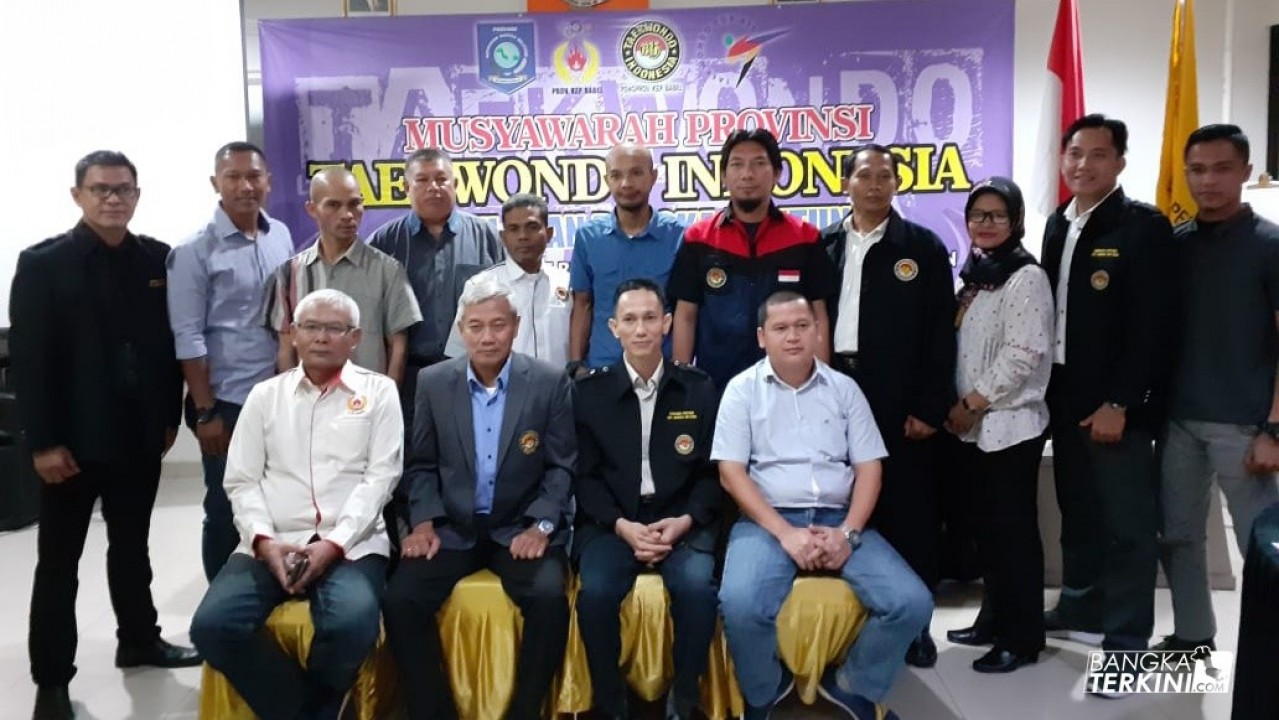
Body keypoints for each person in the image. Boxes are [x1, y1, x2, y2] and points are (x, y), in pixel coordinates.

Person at [10, 150, 198, 720]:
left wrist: (170, 416)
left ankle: (138, 638)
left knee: (131, 548)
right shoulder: (44, 264)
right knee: (59, 562)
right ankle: (51, 680)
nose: (112, 199)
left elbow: (167, 349)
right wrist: (42, 443)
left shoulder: (157, 259)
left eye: (123, 190)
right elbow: (30, 361)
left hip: (139, 438)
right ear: (78, 196)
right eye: (100, 190)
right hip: (70, 446)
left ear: (137, 195)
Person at [713, 291, 931, 720]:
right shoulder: (741, 391)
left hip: (838, 517)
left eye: (801, 326)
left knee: (912, 602)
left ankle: (854, 685)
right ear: (762, 337)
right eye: (780, 328)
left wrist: (848, 534)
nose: (792, 336)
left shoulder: (845, 389)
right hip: (767, 521)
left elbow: (870, 469)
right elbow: (730, 473)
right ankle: (762, 693)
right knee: (739, 603)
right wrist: (785, 533)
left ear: (816, 331)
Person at [189, 289, 402, 720]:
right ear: (293, 334)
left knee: (350, 623)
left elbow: (381, 478)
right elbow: (242, 481)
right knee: (212, 626)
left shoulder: (380, 393)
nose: (322, 337)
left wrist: (333, 545)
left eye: (334, 328)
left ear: (355, 338)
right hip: (272, 539)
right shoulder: (265, 396)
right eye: (311, 327)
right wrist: (265, 543)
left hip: (352, 544)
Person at [383, 277, 575, 720]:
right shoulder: (434, 381)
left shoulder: (548, 382)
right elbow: (422, 464)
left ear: (516, 326)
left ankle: (523, 713)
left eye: (498, 325)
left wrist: (541, 525)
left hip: (519, 528)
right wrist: (424, 523)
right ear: (460, 328)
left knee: (549, 598)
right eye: (475, 326)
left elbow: (562, 465)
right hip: (451, 527)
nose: (487, 337)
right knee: (400, 599)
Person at [1040, 115, 1172, 667]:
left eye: (1097, 155)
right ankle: (1080, 607)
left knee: (1126, 527)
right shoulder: (1056, 223)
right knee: (1079, 512)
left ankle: (1126, 643)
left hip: (1115, 402)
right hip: (1064, 393)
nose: (1083, 165)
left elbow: (1152, 327)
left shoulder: (1142, 227)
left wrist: (1121, 401)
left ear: (1119, 162)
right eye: (1075, 154)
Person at [819, 143, 958, 667]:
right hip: (835, 387)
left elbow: (940, 335)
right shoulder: (825, 243)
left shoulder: (920, 246)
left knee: (910, 511)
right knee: (849, 507)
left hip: (899, 395)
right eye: (865, 175)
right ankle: (849, 624)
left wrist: (929, 405)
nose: (875, 185)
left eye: (885, 176)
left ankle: (917, 626)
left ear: (897, 185)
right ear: (846, 182)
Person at [573, 278, 721, 720]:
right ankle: (610, 702)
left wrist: (686, 521)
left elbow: (713, 473)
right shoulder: (589, 393)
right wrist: (622, 526)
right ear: (613, 328)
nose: (641, 329)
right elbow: (584, 477)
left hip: (680, 521)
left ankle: (686, 700)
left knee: (697, 591)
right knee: (594, 595)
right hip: (612, 524)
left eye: (651, 318)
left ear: (668, 323)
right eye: (631, 320)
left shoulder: (698, 388)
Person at [1159, 124, 1279, 651]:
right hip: (1179, 421)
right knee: (1179, 537)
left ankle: (1267, 653)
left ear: (1246, 173)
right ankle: (1193, 636)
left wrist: (1274, 428)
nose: (1208, 180)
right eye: (1198, 169)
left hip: (1246, 425)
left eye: (1222, 168)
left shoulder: (1270, 245)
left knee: (1263, 547)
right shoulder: (1175, 245)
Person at [167, 141, 295, 581]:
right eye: (233, 177)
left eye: (254, 176)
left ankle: (266, 592)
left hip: (279, 396)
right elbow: (188, 334)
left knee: (276, 503)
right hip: (227, 402)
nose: (245, 186)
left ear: (268, 181)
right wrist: (205, 411)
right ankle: (219, 612)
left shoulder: (279, 233)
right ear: (215, 184)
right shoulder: (193, 251)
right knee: (225, 508)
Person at [941, 178, 1053, 673]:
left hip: (1009, 424)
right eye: (977, 215)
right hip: (974, 427)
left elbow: (1023, 354)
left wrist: (973, 401)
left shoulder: (1025, 276)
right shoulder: (977, 273)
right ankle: (993, 618)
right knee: (987, 532)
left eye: (996, 216)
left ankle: (1022, 637)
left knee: (1012, 536)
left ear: (1016, 221)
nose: (985, 224)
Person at [668, 129, 837, 390]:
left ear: (778, 173)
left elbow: (818, 317)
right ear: (723, 176)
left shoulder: (805, 238)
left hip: (789, 387)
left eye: (759, 164)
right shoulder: (698, 239)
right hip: (716, 387)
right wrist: (682, 383)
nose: (747, 174)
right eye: (737, 165)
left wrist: (823, 386)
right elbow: (686, 316)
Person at [368, 147, 505, 426]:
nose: (434, 187)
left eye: (442, 179)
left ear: (455, 185)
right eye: (422, 180)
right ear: (407, 187)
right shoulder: (385, 242)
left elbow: (509, 301)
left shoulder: (486, 236)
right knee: (414, 457)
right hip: (409, 376)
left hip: (474, 373)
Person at [264, 167, 421, 383]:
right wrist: (291, 402)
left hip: (367, 403)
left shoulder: (388, 270)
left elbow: (398, 346)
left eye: (354, 204)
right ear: (312, 209)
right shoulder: (288, 274)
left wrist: (388, 399)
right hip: (308, 404)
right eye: (333, 205)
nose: (347, 215)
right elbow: (285, 349)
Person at [568, 143, 685, 374]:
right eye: (616, 175)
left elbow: (685, 312)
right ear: (607, 180)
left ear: (653, 177)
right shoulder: (588, 237)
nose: (626, 183)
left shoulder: (678, 236)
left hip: (662, 373)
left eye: (636, 173)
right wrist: (575, 365)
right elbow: (583, 304)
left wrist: (681, 370)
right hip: (602, 371)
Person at [444, 193, 571, 366]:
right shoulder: (480, 285)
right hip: (501, 390)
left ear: (549, 233)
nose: (523, 236)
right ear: (502, 237)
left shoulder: (568, 283)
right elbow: (459, 353)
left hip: (561, 389)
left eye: (532, 227)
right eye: (513, 229)